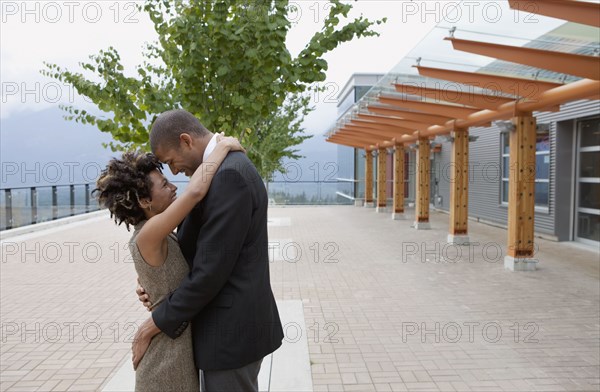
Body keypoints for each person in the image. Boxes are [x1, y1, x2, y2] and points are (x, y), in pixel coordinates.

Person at [133, 109, 284, 392]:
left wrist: (156, 322)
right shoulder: (220, 170)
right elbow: (196, 250)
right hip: (227, 331)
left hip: (231, 335)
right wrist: (158, 283)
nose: (175, 171)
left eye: (171, 162)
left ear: (186, 140)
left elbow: (209, 273)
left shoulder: (229, 176)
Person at [95, 135, 243, 392]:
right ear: (144, 202)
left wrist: (150, 290)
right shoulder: (149, 233)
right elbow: (196, 191)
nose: (173, 187)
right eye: (164, 185)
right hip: (166, 360)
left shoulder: (158, 233)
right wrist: (225, 146)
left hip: (176, 347)